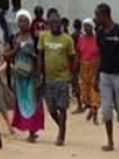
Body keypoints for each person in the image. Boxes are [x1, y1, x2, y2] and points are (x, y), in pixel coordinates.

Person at [95, 3, 119, 151]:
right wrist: (96, 77)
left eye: (97, 15)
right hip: (105, 75)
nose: (96, 18)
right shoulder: (100, 33)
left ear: (104, 15)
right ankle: (110, 141)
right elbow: (99, 56)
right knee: (106, 109)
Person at [38, 10, 75, 146]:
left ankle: (61, 135)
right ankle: (62, 126)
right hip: (48, 79)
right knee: (51, 109)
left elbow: (72, 59)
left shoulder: (67, 39)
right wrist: (39, 75)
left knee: (62, 107)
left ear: (61, 24)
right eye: (52, 23)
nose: (54, 25)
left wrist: (73, 78)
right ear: (48, 23)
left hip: (63, 78)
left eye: (57, 23)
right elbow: (40, 56)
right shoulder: (43, 37)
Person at [8, 8, 44, 142]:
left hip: (32, 74)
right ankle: (28, 129)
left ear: (29, 22)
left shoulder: (35, 37)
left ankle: (32, 130)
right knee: (22, 100)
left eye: (25, 21)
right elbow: (7, 55)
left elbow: (39, 56)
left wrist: (39, 74)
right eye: (20, 20)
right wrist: (15, 50)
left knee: (32, 101)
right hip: (19, 75)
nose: (22, 23)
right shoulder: (13, 38)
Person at [77, 18, 100, 125]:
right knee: (85, 91)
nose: (86, 28)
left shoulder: (97, 39)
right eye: (85, 26)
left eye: (88, 26)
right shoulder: (81, 39)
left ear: (92, 27)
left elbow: (100, 54)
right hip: (83, 66)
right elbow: (78, 53)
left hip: (94, 65)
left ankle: (95, 115)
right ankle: (90, 108)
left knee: (94, 89)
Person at [70, 18, 85, 114]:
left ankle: (80, 104)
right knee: (82, 81)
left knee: (75, 82)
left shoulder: (73, 35)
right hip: (83, 60)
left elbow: (72, 49)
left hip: (75, 60)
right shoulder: (83, 35)